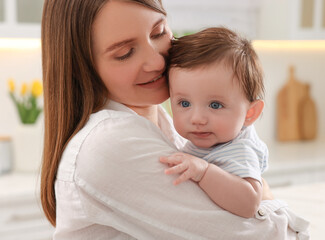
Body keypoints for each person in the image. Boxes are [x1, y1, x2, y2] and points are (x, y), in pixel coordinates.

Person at [40, 0, 309, 239]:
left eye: (158, 33)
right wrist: (263, 192)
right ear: (82, 67)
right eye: (124, 53)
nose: (157, 62)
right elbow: (264, 235)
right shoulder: (111, 144)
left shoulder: (168, 122)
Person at [160, 27, 268, 218]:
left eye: (215, 105)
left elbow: (249, 204)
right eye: (184, 103)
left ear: (250, 113)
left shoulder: (239, 150)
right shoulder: (206, 141)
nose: (197, 119)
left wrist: (204, 172)